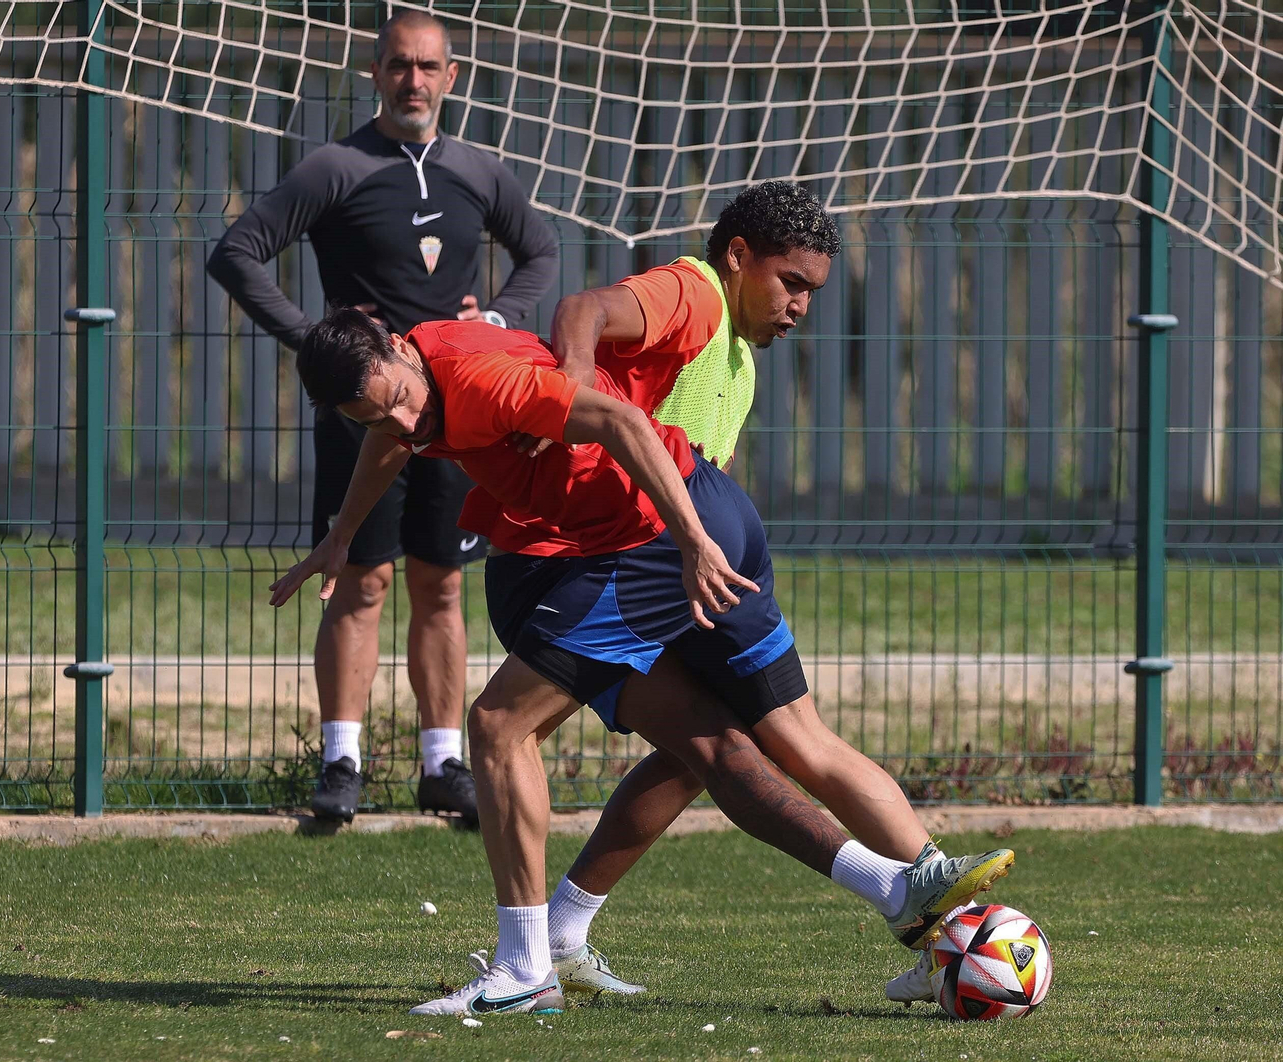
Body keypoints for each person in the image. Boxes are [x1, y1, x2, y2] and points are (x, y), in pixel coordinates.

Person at [270, 306, 1013, 1016]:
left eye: (805, 287)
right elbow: (400, 431)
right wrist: (343, 535)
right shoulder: (416, 379)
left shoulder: (647, 305)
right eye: (372, 416)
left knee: (499, 726)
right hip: (690, 519)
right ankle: (914, 888)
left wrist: (689, 542)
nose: (400, 421)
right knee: (729, 743)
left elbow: (612, 380)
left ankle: (526, 970)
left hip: (650, 542)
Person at [522, 182, 969, 1004]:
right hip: (590, 569)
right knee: (523, 729)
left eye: (812, 291)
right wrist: (575, 391)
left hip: (647, 568)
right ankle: (950, 922)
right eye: (790, 282)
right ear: (738, 258)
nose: (800, 305)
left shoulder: (737, 362)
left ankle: (556, 936)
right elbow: (583, 308)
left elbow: (695, 480)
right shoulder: (691, 291)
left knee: (710, 752)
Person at [208, 10, 558, 825]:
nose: (414, 81)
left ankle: (443, 766)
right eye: (399, 66)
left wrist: (498, 323)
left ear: (452, 75)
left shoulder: (478, 169)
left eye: (429, 67)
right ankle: (342, 763)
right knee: (357, 580)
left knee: (440, 586)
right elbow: (236, 252)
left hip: (457, 418)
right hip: (362, 420)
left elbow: (539, 252)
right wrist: (322, 342)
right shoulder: (338, 166)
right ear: (375, 73)